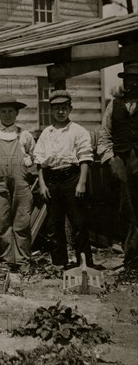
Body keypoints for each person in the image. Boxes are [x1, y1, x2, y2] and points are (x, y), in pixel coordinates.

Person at [34, 90, 94, 268]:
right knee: (54, 225)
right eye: (57, 108)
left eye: (64, 108)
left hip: (72, 179)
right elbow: (40, 161)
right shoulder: (47, 133)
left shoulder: (78, 131)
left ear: (70, 109)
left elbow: (85, 158)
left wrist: (81, 183)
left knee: (78, 223)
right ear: (51, 110)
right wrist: (43, 185)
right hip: (52, 180)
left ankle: (84, 265)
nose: (60, 112)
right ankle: (59, 264)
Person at [0, 94, 35, 270]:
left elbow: (35, 159)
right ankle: (6, 261)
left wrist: (29, 171)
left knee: (22, 223)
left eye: (11, 111)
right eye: (3, 111)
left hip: (21, 185)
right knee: (1, 223)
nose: (7, 114)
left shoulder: (25, 135)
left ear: (16, 113)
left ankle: (23, 262)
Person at [98, 61, 138, 268]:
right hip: (121, 161)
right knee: (126, 209)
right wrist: (111, 159)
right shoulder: (113, 105)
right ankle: (131, 259)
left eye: (136, 80)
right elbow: (104, 136)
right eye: (129, 80)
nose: (132, 84)